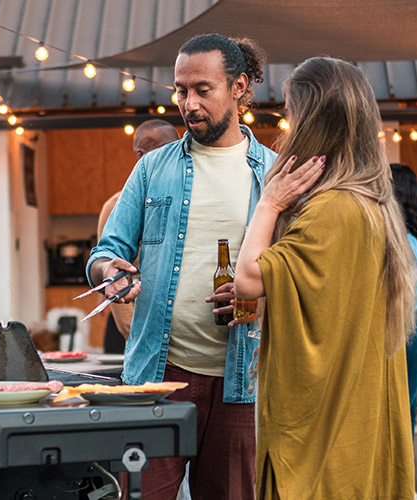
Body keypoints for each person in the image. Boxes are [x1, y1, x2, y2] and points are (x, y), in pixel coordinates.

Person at [87, 33, 274, 500]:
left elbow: (298, 273)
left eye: (202, 90)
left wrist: (261, 293)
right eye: (180, 90)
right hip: (158, 375)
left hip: (243, 380)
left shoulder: (273, 175)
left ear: (239, 87)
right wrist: (110, 271)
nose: (188, 104)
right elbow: (103, 252)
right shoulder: (152, 169)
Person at [230, 56, 416, 499]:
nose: (286, 126)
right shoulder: (372, 204)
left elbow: (248, 279)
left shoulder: (332, 209)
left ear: (317, 122)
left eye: (291, 115)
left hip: (322, 436)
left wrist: (269, 204)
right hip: (357, 421)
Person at [96, 119, 177, 352]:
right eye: (164, 149)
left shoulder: (183, 200)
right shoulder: (116, 206)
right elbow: (114, 276)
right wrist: (141, 338)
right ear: (142, 155)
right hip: (134, 328)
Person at [390, 164, 417, 421]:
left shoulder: (392, 235)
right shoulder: (406, 238)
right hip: (407, 332)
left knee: (401, 412)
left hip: (397, 331)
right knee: (405, 413)